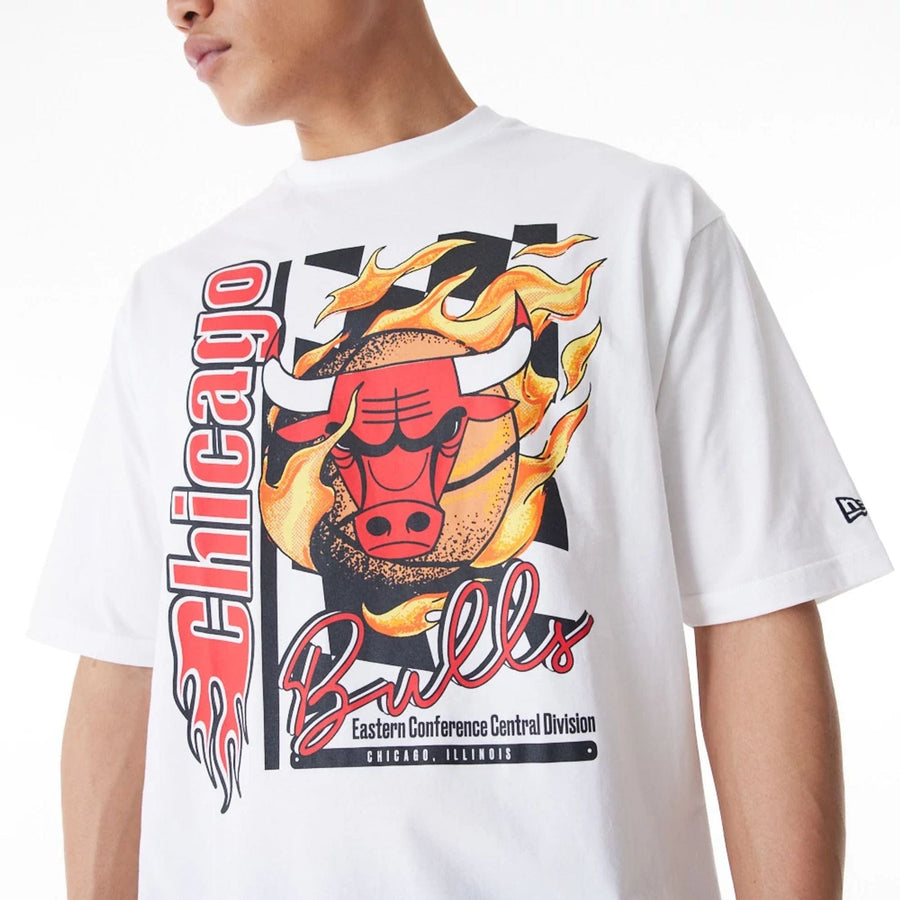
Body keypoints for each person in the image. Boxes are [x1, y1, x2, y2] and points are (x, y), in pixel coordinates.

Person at [26, 1, 894, 897]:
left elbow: (755, 605)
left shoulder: (641, 223)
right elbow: (125, 657)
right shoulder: (179, 299)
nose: (181, 9)